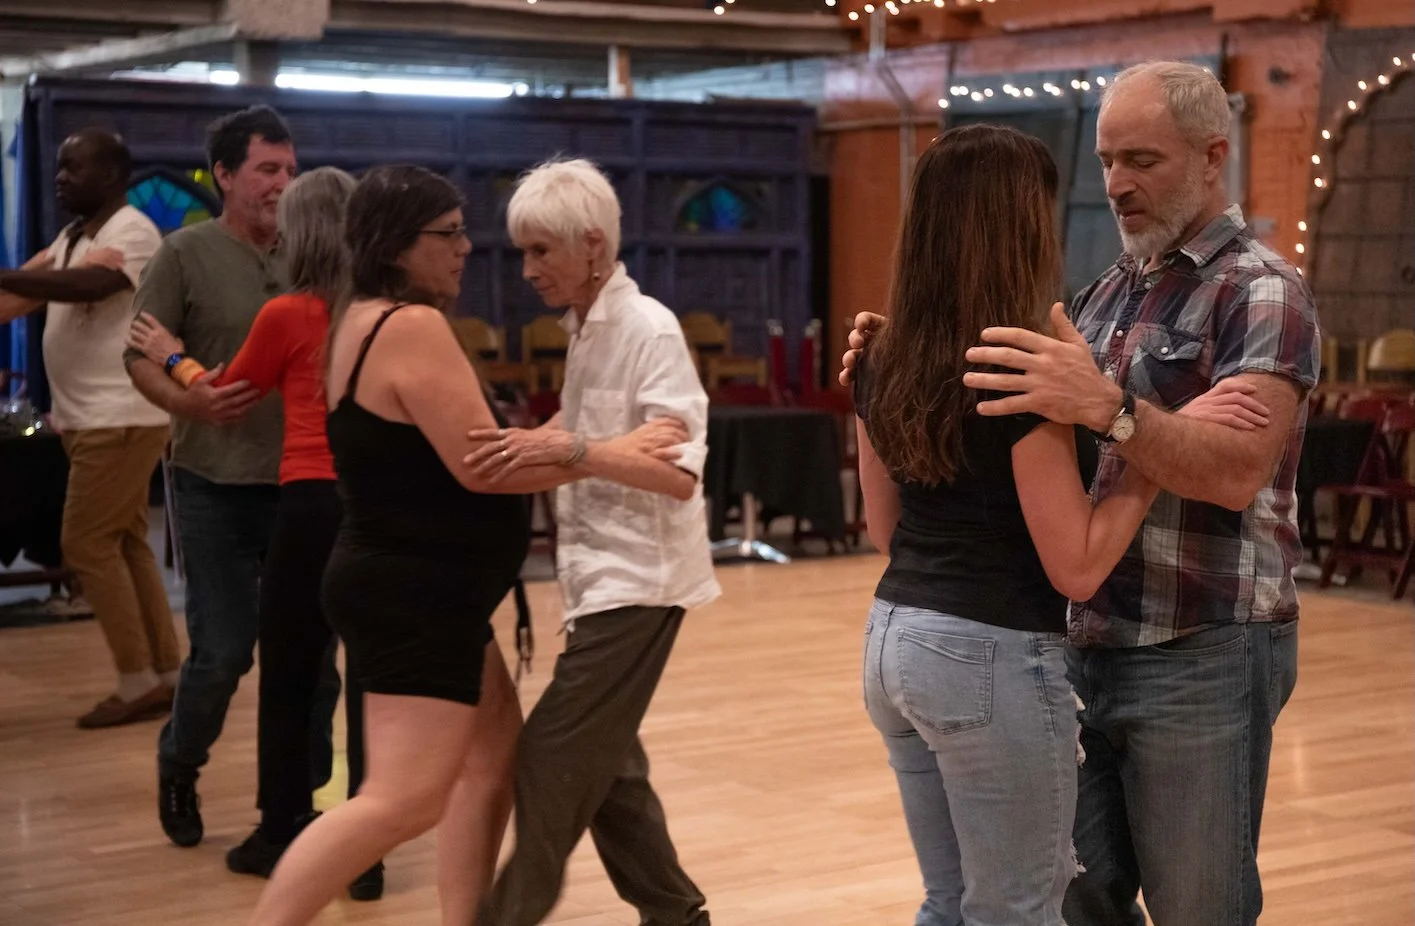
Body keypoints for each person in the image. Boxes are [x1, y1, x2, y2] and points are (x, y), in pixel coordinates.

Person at [844, 61, 1318, 926]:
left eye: (1141, 160)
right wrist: (907, 355)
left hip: (1195, 644)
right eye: (1105, 161)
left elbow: (1236, 469)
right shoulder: (1101, 293)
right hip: (1075, 638)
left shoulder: (1261, 289)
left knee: (1193, 902)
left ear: (1213, 155)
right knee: (1068, 899)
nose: (1116, 184)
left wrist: (1115, 414)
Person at [248, 164, 688, 926]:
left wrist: (577, 443)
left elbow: (486, 449)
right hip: (417, 593)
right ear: (395, 245)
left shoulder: (359, 316)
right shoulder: (408, 325)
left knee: (489, 764)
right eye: (447, 236)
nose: (465, 251)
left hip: (427, 589)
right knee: (399, 800)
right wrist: (598, 450)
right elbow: (483, 469)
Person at [465, 158, 719, 926]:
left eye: (541, 251)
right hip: (596, 579)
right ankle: (677, 916)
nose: (528, 269)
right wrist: (569, 446)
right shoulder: (583, 331)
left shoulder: (648, 329)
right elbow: (595, 449)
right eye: (523, 252)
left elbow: (677, 475)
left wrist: (573, 448)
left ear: (593, 246)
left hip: (638, 581)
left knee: (550, 757)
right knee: (610, 772)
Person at [125, 166, 382, 900]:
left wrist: (172, 353)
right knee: (362, 679)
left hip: (306, 501)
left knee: (289, 671)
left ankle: (280, 831)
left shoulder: (290, 313)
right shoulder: (387, 314)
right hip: (372, 508)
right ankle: (366, 854)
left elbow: (227, 393)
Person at [0, 128, 178, 728]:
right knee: (125, 543)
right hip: (91, 418)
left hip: (120, 415)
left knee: (84, 544)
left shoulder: (131, 231)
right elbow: (18, 296)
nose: (60, 177)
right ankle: (166, 674)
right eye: (58, 167)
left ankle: (134, 682)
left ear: (112, 175)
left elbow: (87, 287)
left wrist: (22, 279)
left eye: (73, 167)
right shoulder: (73, 238)